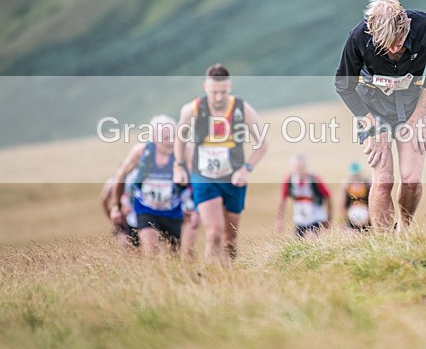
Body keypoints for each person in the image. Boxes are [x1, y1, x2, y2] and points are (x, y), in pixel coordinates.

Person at [334, 0, 426, 232]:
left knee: (412, 179)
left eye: (399, 41)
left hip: (411, 107)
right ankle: (383, 242)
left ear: (406, 24)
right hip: (373, 110)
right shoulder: (358, 38)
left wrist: (418, 118)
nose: (395, 49)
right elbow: (343, 85)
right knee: (384, 180)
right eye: (387, 44)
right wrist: (372, 126)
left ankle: (404, 230)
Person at [174, 63, 268, 263]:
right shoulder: (192, 110)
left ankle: (229, 276)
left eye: (223, 92)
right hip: (203, 177)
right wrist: (179, 166)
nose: (218, 97)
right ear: (206, 87)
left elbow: (262, 144)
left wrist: (246, 169)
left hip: (233, 179)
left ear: (230, 87)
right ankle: (209, 281)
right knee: (214, 233)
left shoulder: (242, 109)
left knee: (230, 239)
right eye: (214, 92)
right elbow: (179, 139)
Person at [113, 115, 198, 255]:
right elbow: (120, 176)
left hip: (175, 210)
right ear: (154, 139)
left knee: (177, 254)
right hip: (147, 209)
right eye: (166, 138)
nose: (171, 141)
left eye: (173, 136)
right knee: (150, 251)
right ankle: (152, 274)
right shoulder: (141, 153)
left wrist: (195, 207)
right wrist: (117, 206)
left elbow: (197, 180)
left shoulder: (185, 152)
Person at [276, 154, 332, 237]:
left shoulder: (315, 179)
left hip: (316, 218)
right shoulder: (289, 179)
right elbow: (282, 199)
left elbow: (328, 197)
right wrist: (279, 219)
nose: (298, 169)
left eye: (300, 167)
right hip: (299, 219)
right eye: (296, 167)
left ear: (305, 166)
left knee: (311, 238)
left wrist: (329, 218)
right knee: (299, 243)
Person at [340, 162, 372, 231]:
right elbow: (343, 204)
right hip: (351, 213)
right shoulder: (346, 186)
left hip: (366, 212)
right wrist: (344, 220)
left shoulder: (367, 184)